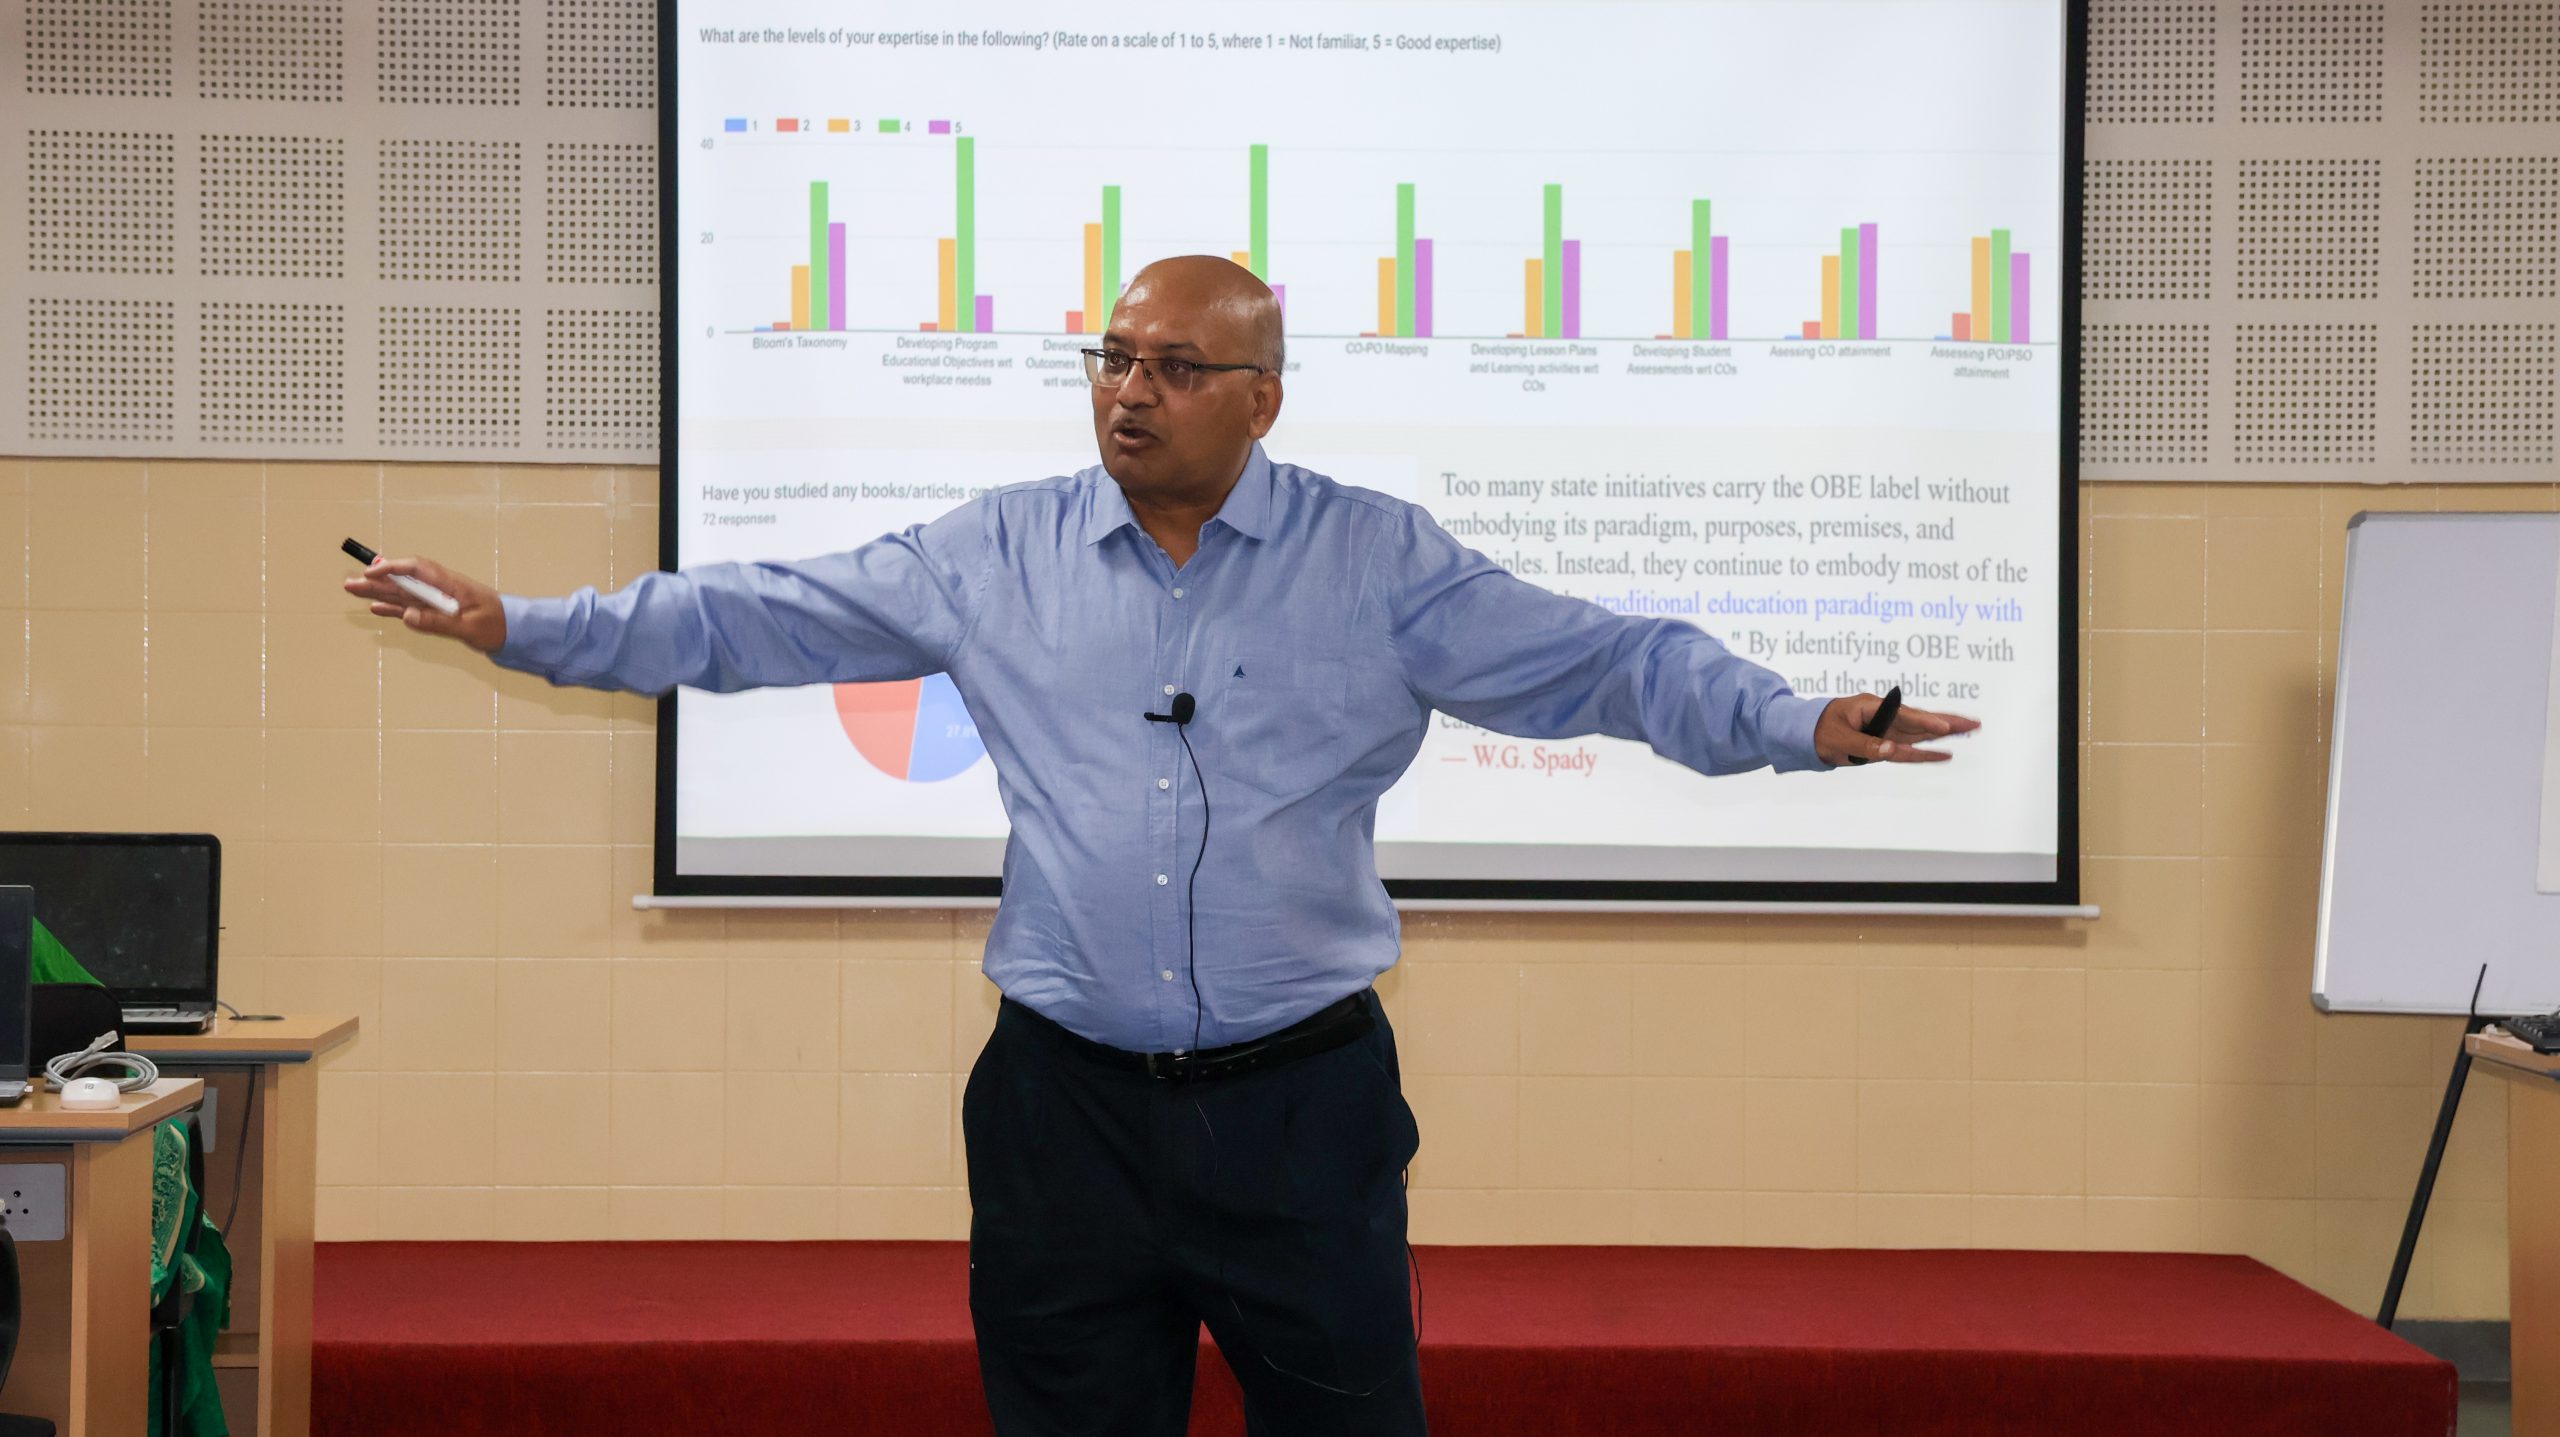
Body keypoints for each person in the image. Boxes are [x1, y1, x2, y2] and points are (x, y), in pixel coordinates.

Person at [346, 255, 1976, 1436]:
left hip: (1300, 1110)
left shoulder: (1376, 561)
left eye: (1177, 366)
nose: (1130, 389)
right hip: (1062, 1115)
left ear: (1262, 399)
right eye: (1113, 356)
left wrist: (1793, 718)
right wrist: (523, 623)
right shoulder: (997, 552)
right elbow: (754, 614)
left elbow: (1607, 661)